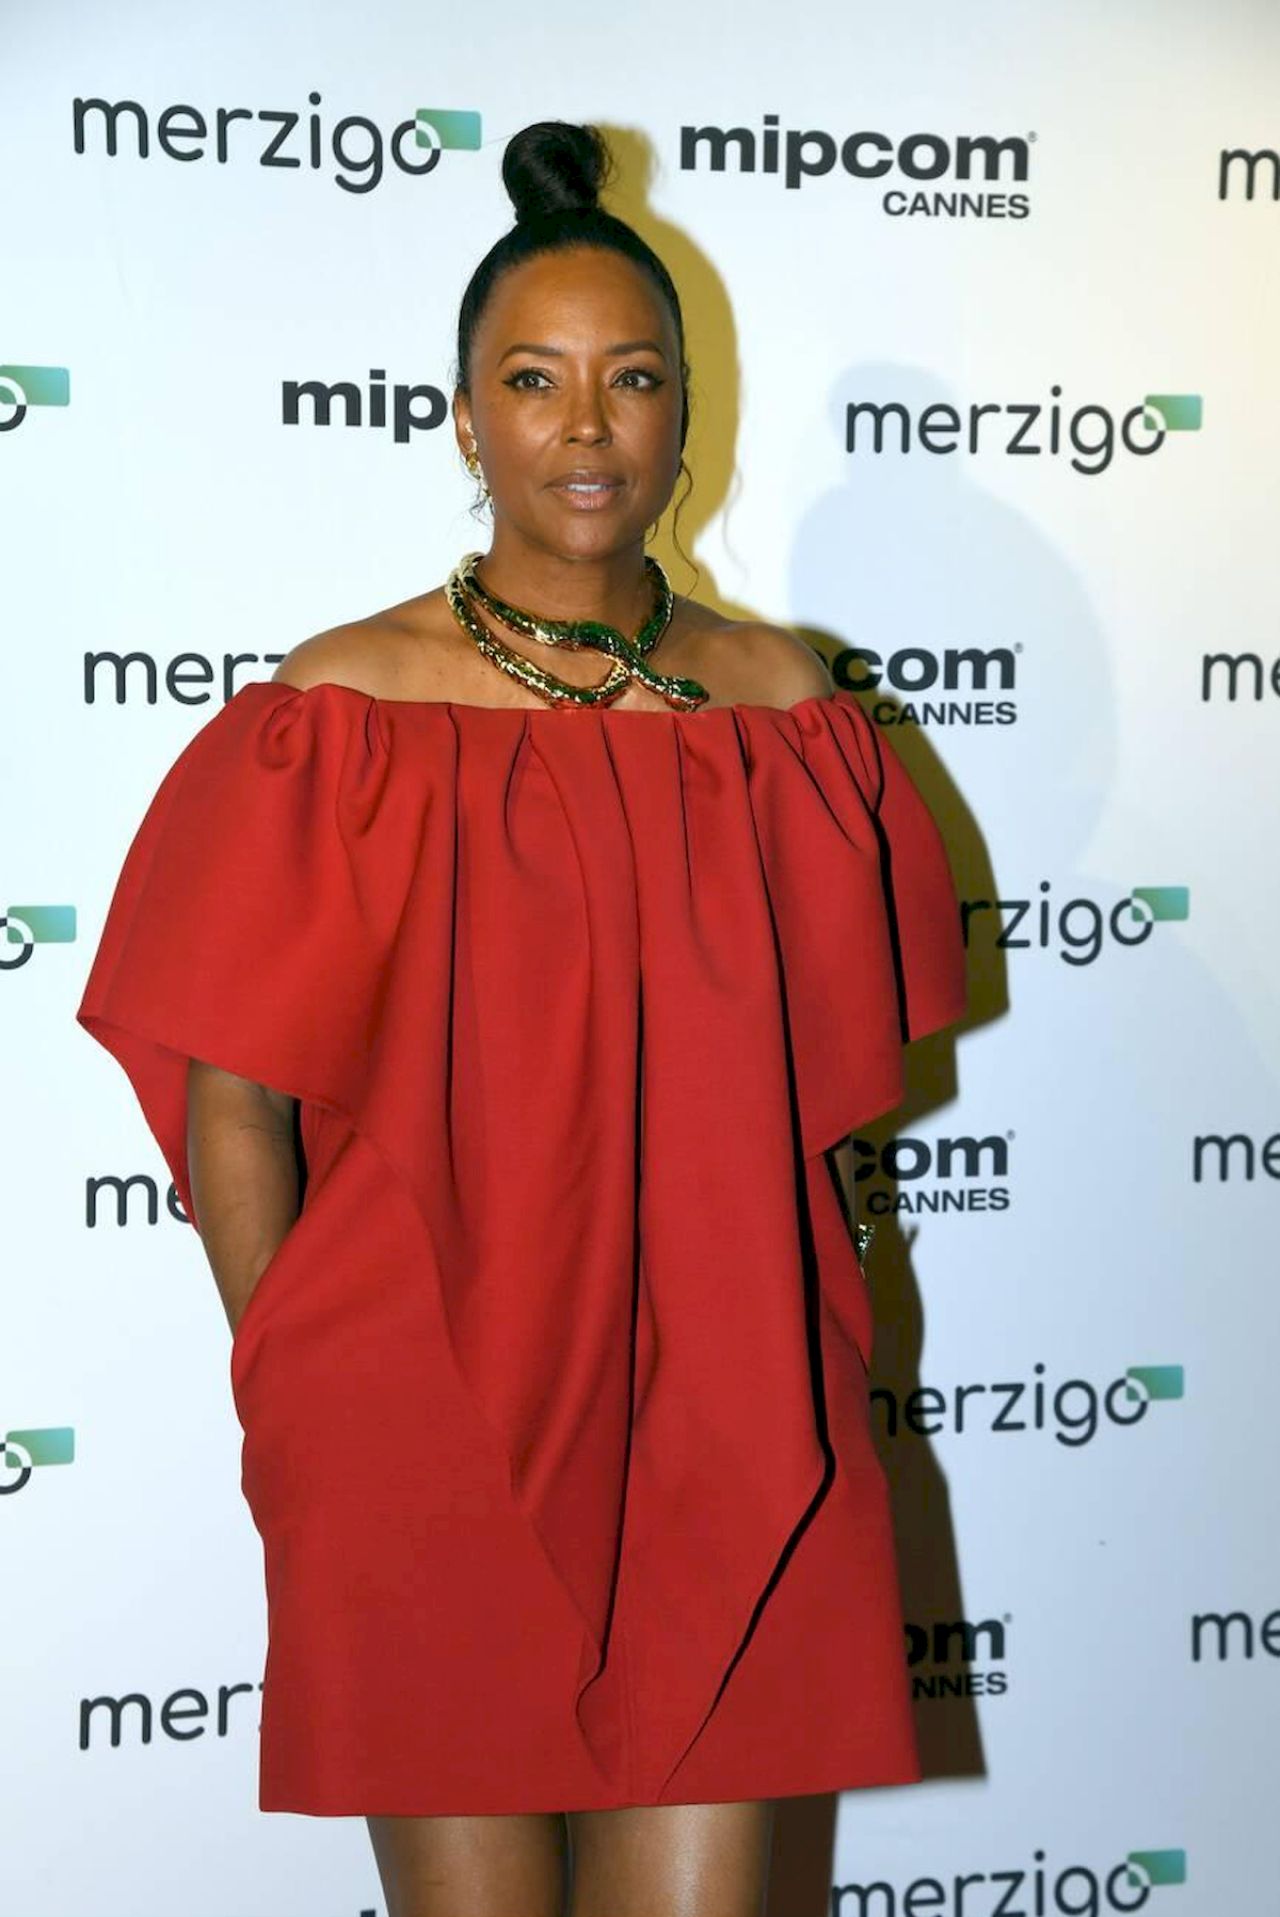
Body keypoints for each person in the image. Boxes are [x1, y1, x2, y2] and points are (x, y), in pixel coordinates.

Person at [76, 120, 967, 1917]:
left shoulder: (784, 715)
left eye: (630, 377)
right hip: (424, 1432)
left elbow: (827, 1095)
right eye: (534, 380)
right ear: (466, 419)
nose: (584, 425)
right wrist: (302, 1379)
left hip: (737, 1418)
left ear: (685, 417)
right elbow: (233, 1097)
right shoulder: (343, 709)